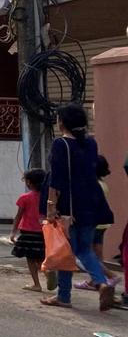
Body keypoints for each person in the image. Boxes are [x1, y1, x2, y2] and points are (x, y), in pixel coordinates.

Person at [39, 104, 116, 311]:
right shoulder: (91, 144)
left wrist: (51, 208)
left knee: (66, 253)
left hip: (68, 209)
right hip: (91, 205)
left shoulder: (60, 144)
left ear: (62, 122)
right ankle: (101, 283)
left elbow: (57, 179)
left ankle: (63, 296)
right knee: (84, 249)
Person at [77, 156, 121, 291]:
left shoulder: (92, 185)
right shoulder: (102, 184)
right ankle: (94, 281)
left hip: (92, 223)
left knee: (87, 254)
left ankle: (110, 276)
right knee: (97, 255)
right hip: (102, 224)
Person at [11, 169, 48, 292]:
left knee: (30, 259)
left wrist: (13, 232)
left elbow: (18, 216)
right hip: (43, 232)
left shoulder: (24, 198)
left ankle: (36, 284)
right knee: (41, 257)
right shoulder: (47, 198)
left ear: (29, 182)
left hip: (27, 233)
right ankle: (49, 275)